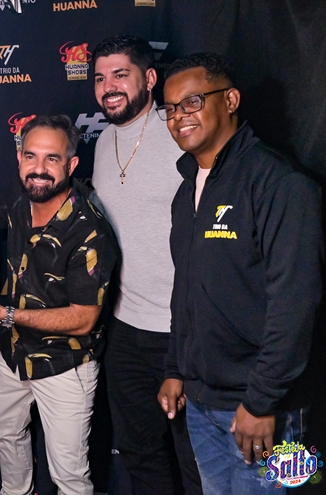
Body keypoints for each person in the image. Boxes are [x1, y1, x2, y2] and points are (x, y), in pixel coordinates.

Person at [158, 52, 323, 494]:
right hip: (201, 403)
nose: (178, 117)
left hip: (267, 411)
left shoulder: (279, 183)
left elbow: (295, 304)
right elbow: (186, 290)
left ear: (229, 100)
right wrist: (176, 367)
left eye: (192, 102)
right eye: (169, 108)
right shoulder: (186, 191)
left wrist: (262, 401)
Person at [0, 115, 118, 495]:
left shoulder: (89, 231)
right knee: (6, 432)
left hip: (65, 364)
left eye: (51, 159)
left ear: (71, 165)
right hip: (14, 353)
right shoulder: (18, 197)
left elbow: (83, 319)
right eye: (31, 156)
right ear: (19, 158)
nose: (39, 169)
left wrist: (5, 314)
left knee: (69, 476)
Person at [90, 35, 201, 494]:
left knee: (196, 458)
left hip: (184, 330)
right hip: (125, 329)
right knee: (140, 455)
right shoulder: (101, 143)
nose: (108, 87)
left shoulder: (180, 130)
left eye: (121, 75)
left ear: (150, 78)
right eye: (100, 78)